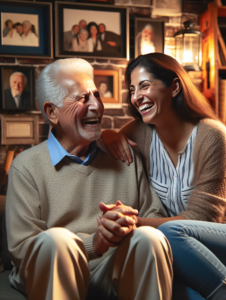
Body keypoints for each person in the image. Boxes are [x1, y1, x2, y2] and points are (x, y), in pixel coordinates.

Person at [101, 53, 226, 300]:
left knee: (169, 234)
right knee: (164, 283)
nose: (136, 97)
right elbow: (101, 142)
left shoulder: (212, 134)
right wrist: (107, 134)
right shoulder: (141, 133)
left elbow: (204, 218)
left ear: (175, 87)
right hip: (191, 252)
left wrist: (131, 224)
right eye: (132, 90)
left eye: (144, 85)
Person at [5, 58, 173, 300]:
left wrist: (126, 223)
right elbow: (22, 249)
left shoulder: (124, 155)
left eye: (96, 95)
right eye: (83, 98)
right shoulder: (26, 166)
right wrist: (95, 242)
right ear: (52, 112)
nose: (96, 106)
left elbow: (155, 216)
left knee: (150, 237)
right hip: (55, 273)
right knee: (57, 240)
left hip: (111, 270)